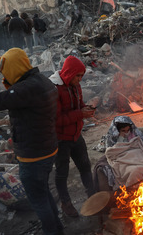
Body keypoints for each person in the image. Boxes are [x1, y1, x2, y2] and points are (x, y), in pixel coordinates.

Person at [0, 48, 63, 235]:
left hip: (33, 156)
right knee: (44, 192)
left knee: (38, 200)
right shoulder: (42, 80)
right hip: (48, 148)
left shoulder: (25, 89)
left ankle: (52, 231)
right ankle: (57, 227)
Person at [49, 55, 96, 217]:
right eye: (77, 76)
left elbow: (79, 105)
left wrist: (86, 109)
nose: (80, 79)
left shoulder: (76, 86)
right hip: (61, 139)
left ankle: (93, 197)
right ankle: (66, 204)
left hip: (76, 135)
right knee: (62, 172)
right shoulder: (54, 89)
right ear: (69, 73)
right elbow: (57, 120)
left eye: (82, 76)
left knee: (85, 165)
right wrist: (80, 114)